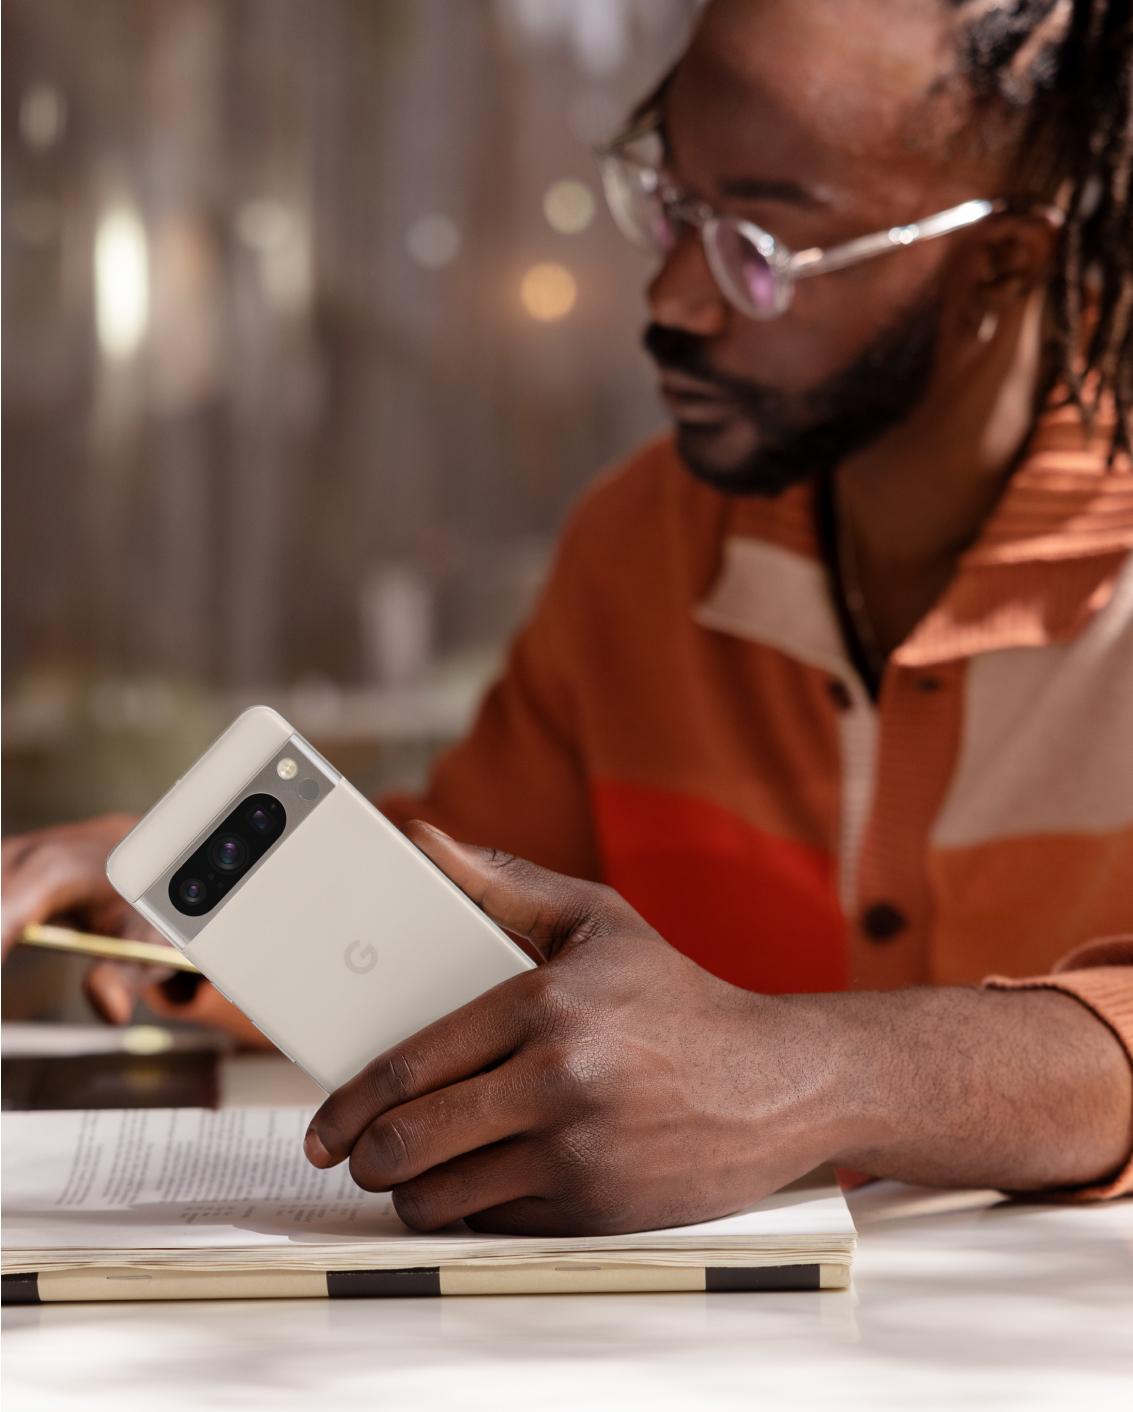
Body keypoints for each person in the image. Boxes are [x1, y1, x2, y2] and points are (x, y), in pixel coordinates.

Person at [3, 0, 1132, 1234]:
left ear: (1002, 265)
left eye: (756, 248)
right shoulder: (640, 547)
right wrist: (217, 895)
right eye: (672, 207)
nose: (668, 299)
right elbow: (456, 908)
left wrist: (801, 1076)